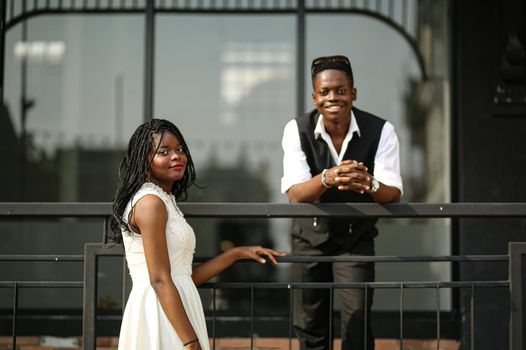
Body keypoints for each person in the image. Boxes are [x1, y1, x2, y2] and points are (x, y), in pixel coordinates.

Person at [110, 118, 284, 350]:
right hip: (159, 313)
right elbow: (160, 280)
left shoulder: (165, 200)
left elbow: (184, 277)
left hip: (178, 307)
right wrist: (191, 342)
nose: (177, 156)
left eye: (180, 149)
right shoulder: (150, 203)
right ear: (144, 160)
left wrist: (236, 254)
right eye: (164, 151)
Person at [281, 55, 403, 350]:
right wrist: (328, 177)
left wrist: (369, 182)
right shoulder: (296, 129)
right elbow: (296, 193)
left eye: (340, 90)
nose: (332, 97)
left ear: (353, 93)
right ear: (315, 96)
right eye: (324, 92)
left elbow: (394, 193)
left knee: (357, 326)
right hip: (309, 238)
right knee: (310, 326)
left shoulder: (382, 130)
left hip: (356, 239)